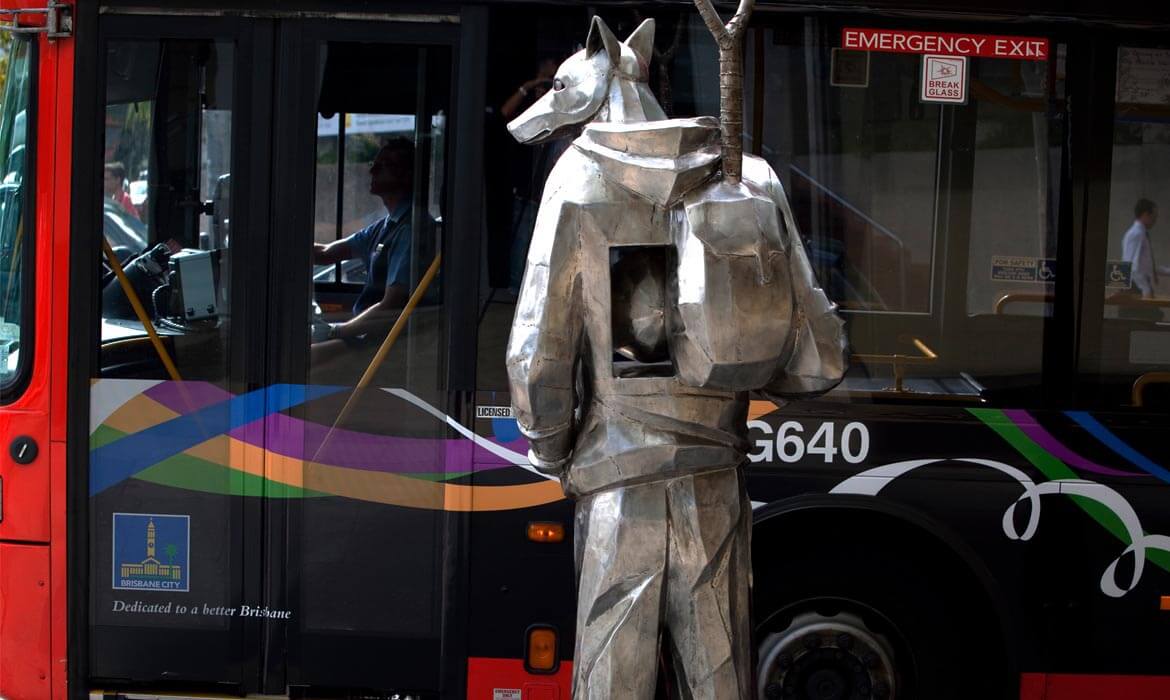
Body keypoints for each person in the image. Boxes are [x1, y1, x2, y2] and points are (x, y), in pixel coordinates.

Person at [311, 138, 416, 364]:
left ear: (405, 175)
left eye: (383, 165)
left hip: (383, 345)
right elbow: (326, 253)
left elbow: (391, 304)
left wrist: (335, 331)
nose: (372, 170)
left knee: (301, 361)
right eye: (373, 163)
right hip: (368, 336)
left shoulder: (409, 230)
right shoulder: (386, 225)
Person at [1120, 198, 1170, 321]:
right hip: (1136, 287)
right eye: (1154, 216)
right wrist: (1146, 290)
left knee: (1154, 318)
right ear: (1145, 215)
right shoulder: (1136, 234)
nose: (1155, 220)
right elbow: (1132, 267)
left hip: (1138, 286)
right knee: (1153, 318)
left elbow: (1145, 266)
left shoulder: (1140, 234)